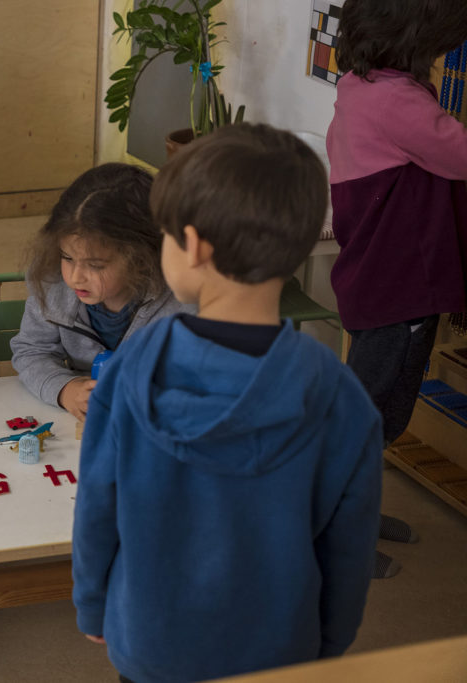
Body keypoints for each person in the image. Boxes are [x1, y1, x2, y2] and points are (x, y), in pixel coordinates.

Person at [72, 124, 383, 683]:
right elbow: (349, 545)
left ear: (192, 245)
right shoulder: (341, 395)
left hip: (151, 642)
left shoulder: (131, 369)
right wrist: (329, 641)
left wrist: (94, 605)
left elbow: (98, 507)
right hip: (279, 648)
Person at [328, 0, 467, 578]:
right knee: (372, 417)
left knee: (375, 414)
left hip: (380, 284)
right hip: (398, 289)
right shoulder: (400, 103)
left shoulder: (361, 86)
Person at [10, 163, 188, 422]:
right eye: (67, 257)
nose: (75, 277)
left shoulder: (181, 296)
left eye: (95, 265)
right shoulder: (52, 282)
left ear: (140, 259)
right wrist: (64, 389)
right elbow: (31, 351)